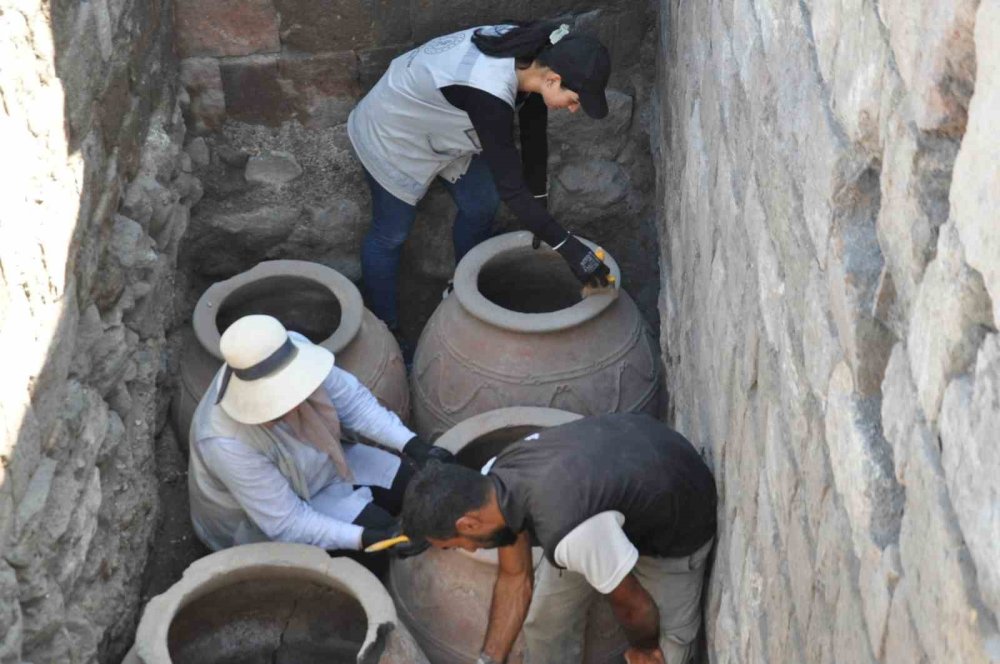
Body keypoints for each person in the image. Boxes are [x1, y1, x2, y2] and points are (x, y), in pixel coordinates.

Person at [348, 19, 614, 336]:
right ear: (554, 80)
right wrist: (572, 251)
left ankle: (463, 288)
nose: (572, 109)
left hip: (445, 125)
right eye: (575, 100)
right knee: (391, 232)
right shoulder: (488, 92)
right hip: (393, 129)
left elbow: (533, 139)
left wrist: (540, 205)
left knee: (481, 203)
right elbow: (513, 190)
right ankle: (383, 329)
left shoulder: (535, 60)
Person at [401, 413, 718, 664]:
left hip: (677, 515)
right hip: (616, 483)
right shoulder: (495, 485)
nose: (465, 549)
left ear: (468, 524)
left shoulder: (571, 531)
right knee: (546, 621)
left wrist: (644, 650)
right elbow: (515, 577)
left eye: (453, 544)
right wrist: (489, 660)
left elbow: (635, 607)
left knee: (665, 651)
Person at [187, 314, 451, 555]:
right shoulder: (225, 443)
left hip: (322, 459)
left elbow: (354, 403)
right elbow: (287, 521)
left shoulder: (291, 351)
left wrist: (412, 444)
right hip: (265, 515)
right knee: (377, 545)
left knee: (412, 484)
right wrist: (364, 537)